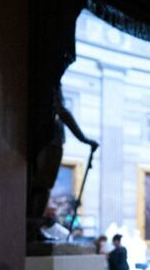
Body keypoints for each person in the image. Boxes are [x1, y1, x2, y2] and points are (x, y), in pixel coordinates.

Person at [27, 85, 98, 242]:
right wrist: (83, 139)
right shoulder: (50, 82)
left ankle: (33, 229)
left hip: (50, 139)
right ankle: (31, 229)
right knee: (41, 186)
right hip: (49, 140)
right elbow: (62, 111)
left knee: (41, 187)